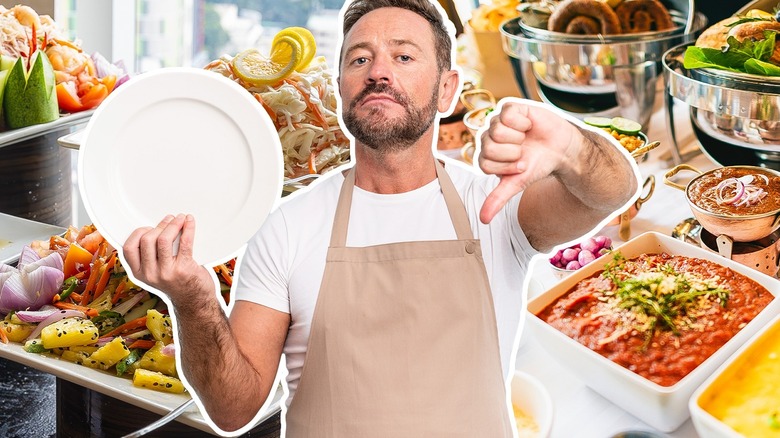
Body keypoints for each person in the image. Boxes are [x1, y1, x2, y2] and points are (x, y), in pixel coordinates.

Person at [122, 0, 639, 435]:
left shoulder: (495, 210)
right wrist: (192, 298)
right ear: (343, 88)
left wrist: (570, 143)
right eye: (359, 58)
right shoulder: (286, 227)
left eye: (404, 55)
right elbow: (233, 410)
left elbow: (610, 191)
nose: (378, 71)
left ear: (446, 89)